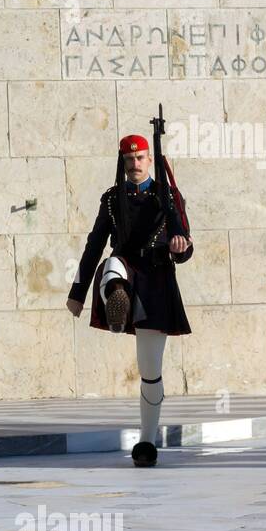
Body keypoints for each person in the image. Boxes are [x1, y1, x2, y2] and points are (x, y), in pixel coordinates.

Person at [66, 133, 194, 467]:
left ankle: (147, 443)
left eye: (140, 159)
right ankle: (116, 301)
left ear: (150, 160)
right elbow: (94, 245)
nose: (134, 165)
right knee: (112, 266)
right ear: (122, 163)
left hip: (156, 278)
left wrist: (180, 248)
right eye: (128, 160)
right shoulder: (112, 199)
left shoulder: (168, 196)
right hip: (125, 267)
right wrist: (77, 292)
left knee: (150, 371)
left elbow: (185, 242)